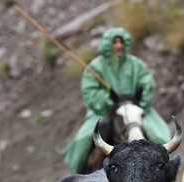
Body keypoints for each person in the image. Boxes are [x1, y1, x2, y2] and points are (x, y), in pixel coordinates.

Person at [62, 27, 171, 174]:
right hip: (104, 112)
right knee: (83, 140)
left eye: (121, 42)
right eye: (115, 42)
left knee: (160, 136)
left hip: (137, 108)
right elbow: (89, 92)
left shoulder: (136, 64)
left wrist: (140, 100)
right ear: (108, 44)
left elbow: (148, 84)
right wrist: (108, 101)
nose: (119, 45)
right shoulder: (95, 67)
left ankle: (165, 179)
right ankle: (77, 178)